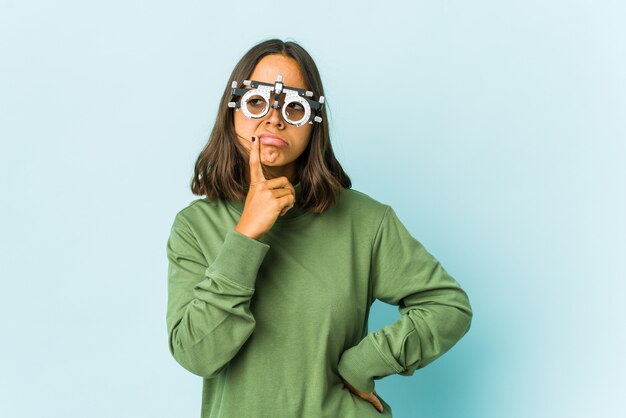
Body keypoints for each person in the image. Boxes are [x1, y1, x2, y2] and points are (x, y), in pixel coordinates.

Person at [165, 38, 473, 418]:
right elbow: (197, 354)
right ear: (232, 111)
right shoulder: (195, 227)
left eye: (294, 107)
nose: (274, 119)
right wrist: (246, 235)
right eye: (257, 101)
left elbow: (447, 306)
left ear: (313, 122)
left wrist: (362, 364)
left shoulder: (366, 221)